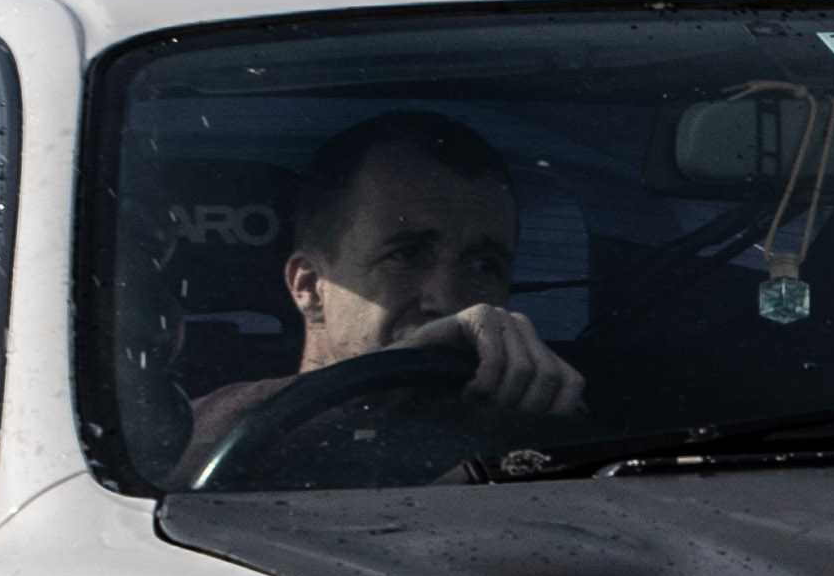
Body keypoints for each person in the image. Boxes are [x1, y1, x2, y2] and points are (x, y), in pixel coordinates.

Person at [183, 108, 581, 459]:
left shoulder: (528, 432)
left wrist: (549, 429)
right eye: (405, 256)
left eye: (483, 266)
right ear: (310, 287)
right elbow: (176, 455)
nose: (448, 302)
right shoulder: (208, 435)